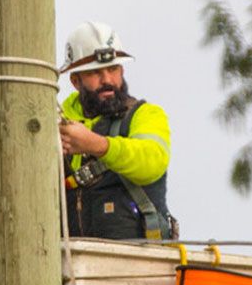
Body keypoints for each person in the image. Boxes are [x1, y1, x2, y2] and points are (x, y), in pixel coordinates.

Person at [58, 21, 174, 239]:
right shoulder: (56, 123)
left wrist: (97, 145)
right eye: (95, 73)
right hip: (72, 258)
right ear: (75, 81)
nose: (107, 80)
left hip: (138, 260)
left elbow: (152, 161)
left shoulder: (146, 115)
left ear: (122, 70)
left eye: (113, 69)